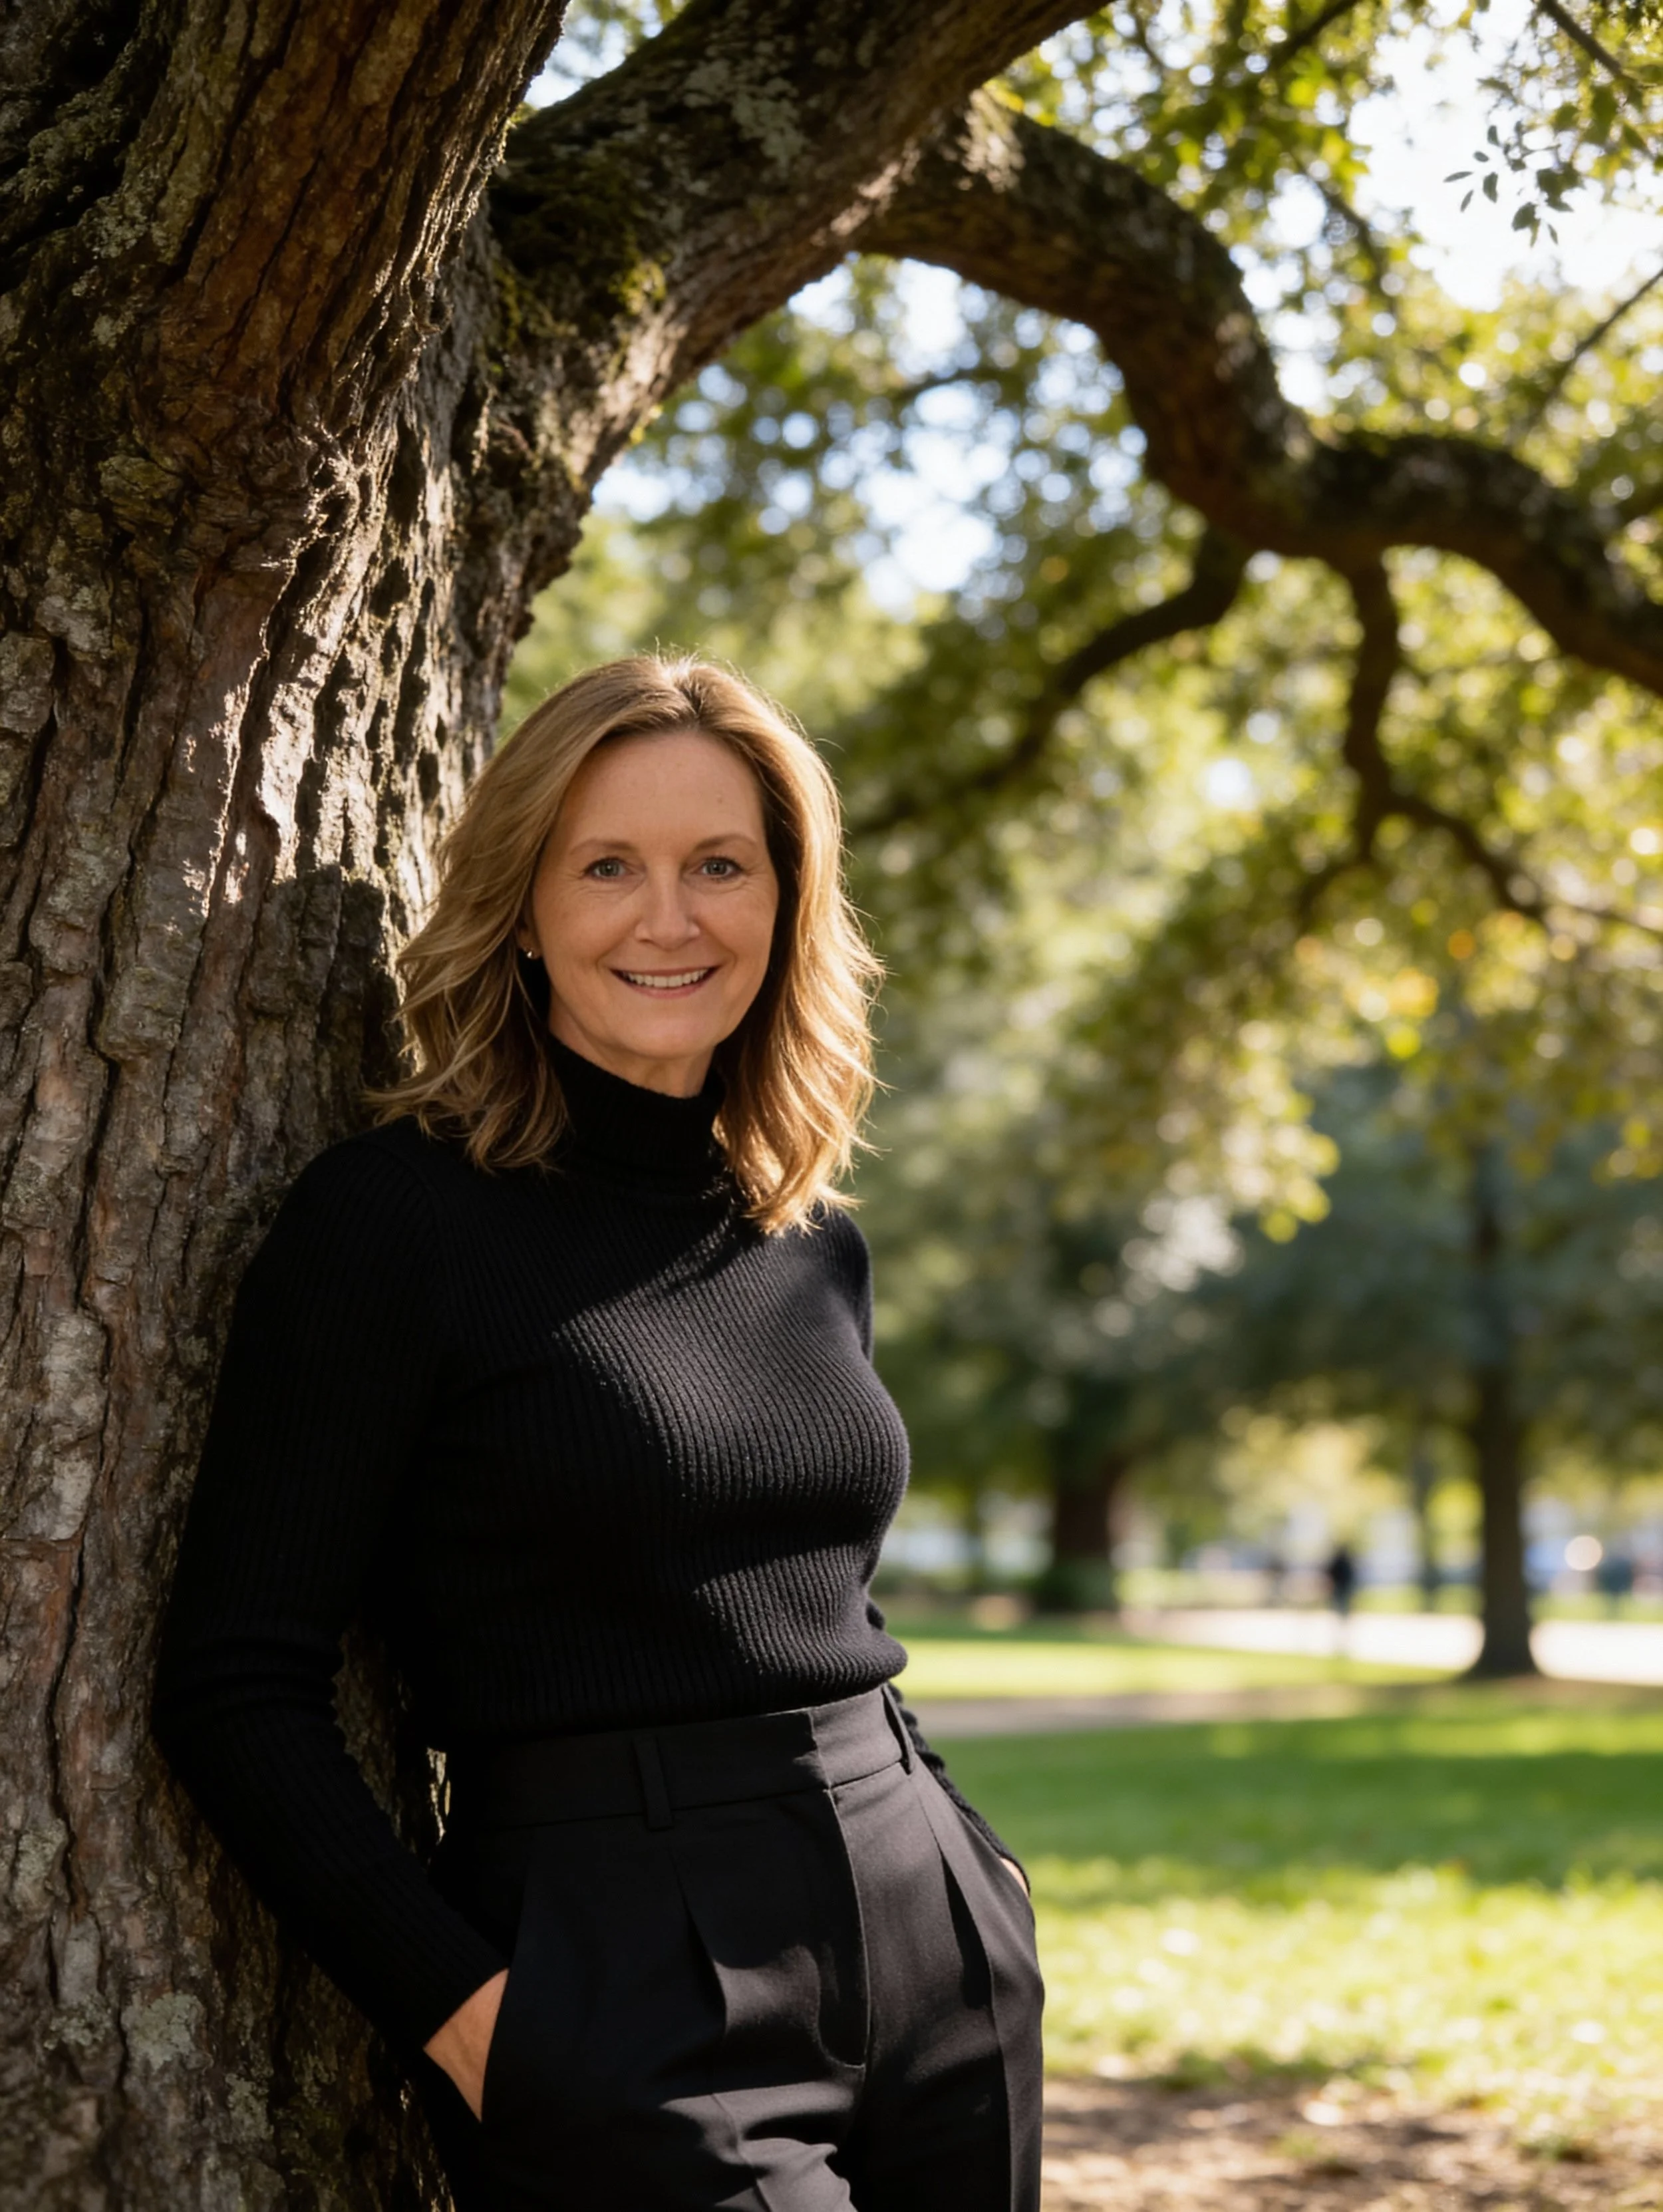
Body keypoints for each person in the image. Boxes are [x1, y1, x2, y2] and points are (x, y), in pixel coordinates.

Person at [152, 657, 1044, 2212]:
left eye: (719, 866)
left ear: (785, 899)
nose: (669, 919)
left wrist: (979, 1880)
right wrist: (485, 2029)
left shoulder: (802, 1234)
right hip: (618, 1972)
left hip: (926, 1922)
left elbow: (807, 1595)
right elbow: (234, 1683)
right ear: (523, 898)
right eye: (607, 866)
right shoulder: (393, 1224)